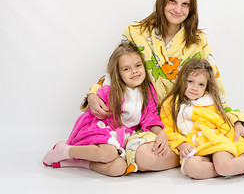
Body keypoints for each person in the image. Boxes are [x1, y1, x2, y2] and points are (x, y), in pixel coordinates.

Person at [84, 0, 244, 172]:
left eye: (185, 4)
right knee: (142, 156)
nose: (178, 9)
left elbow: (214, 84)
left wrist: (236, 121)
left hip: (191, 119)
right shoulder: (135, 32)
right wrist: (93, 92)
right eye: (172, 1)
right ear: (163, 1)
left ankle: (207, 157)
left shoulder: (198, 41)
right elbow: (116, 69)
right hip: (151, 122)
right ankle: (210, 157)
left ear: (191, 9)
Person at [42, 42, 168, 176]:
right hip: (98, 128)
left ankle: (77, 162)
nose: (134, 71)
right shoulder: (111, 89)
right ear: (118, 73)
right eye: (126, 69)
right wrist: (92, 96)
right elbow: (93, 111)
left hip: (120, 137)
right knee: (109, 153)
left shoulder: (147, 90)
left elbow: (150, 118)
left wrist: (160, 133)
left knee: (118, 168)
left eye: (138, 65)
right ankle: (65, 150)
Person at [160, 58, 244, 179]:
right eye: (190, 81)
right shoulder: (171, 104)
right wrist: (181, 145)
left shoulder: (210, 102)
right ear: (182, 79)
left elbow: (226, 128)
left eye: (201, 84)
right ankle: (240, 167)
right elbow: (167, 129)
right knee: (191, 168)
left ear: (206, 87)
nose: (194, 88)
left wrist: (241, 149)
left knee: (223, 166)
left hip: (217, 142)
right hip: (196, 147)